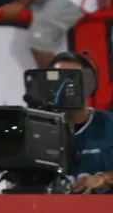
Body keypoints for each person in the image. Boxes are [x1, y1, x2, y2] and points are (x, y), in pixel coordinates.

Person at [47, 52, 113, 194]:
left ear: (90, 84)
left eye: (72, 78)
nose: (66, 86)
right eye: (59, 78)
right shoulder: (38, 129)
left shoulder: (110, 124)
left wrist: (104, 178)